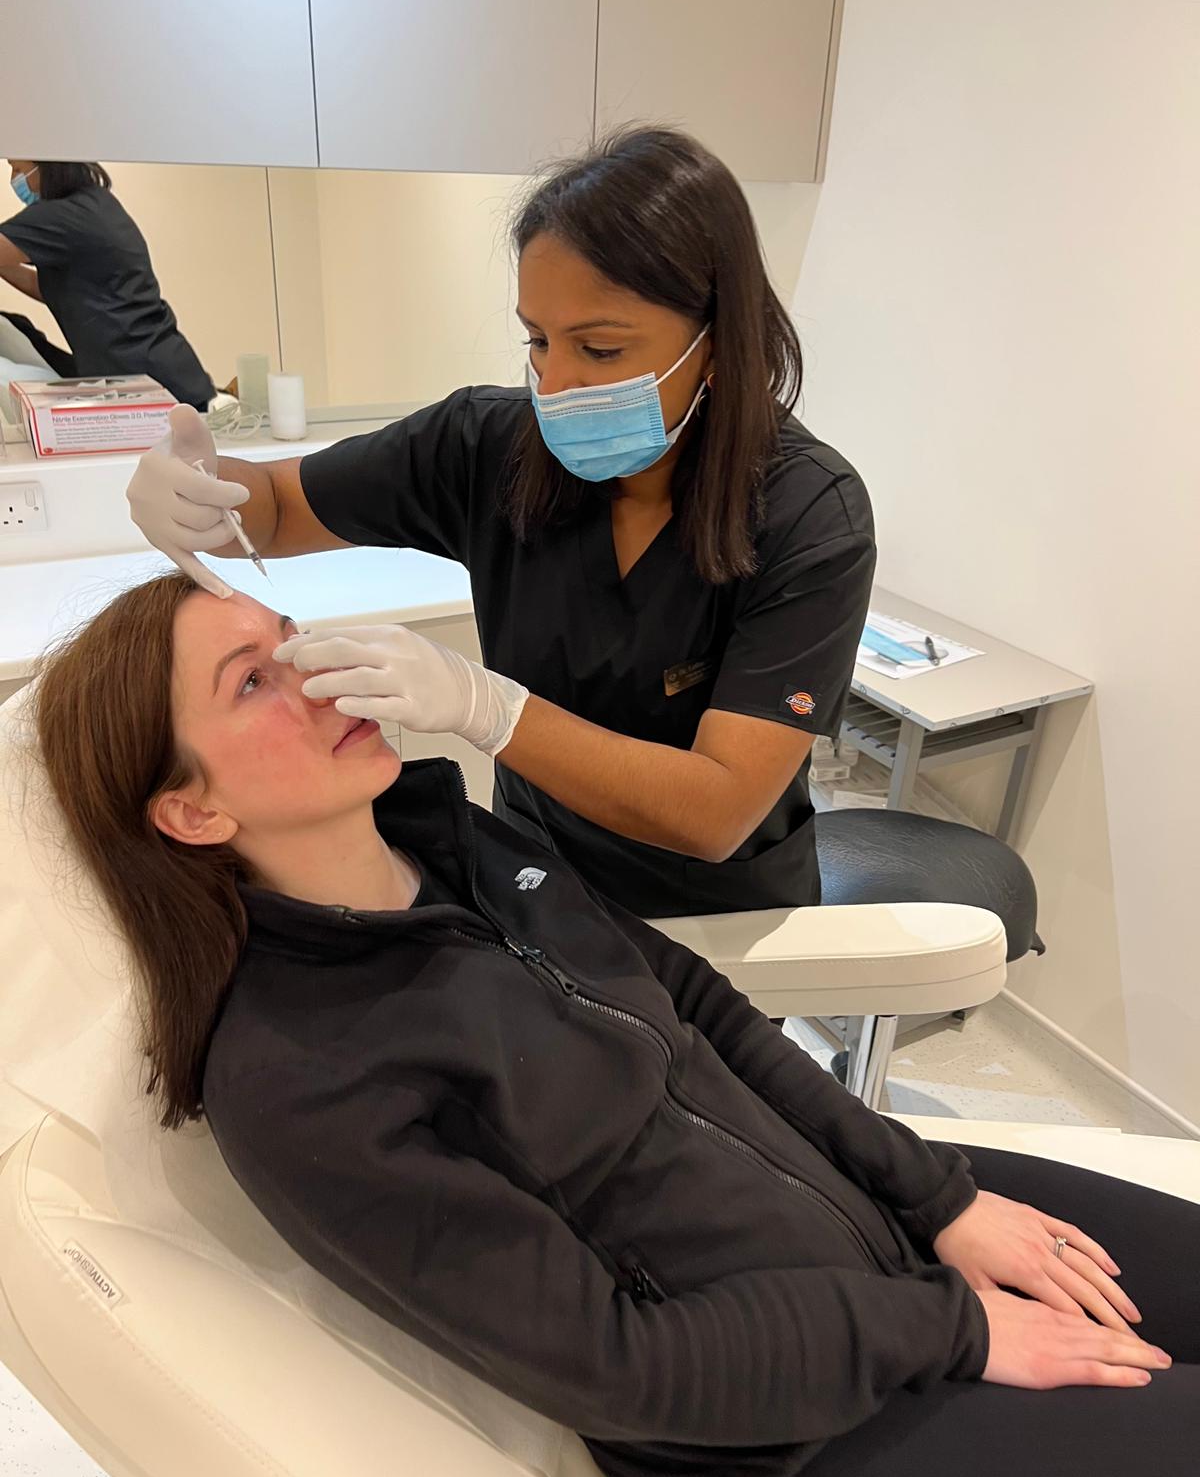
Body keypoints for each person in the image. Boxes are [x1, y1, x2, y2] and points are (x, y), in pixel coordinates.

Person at [31, 572, 1200, 1477]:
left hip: (877, 1229)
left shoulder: (459, 842)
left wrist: (937, 1199)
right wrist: (954, 1328)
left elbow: (702, 1011)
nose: (319, 674)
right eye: (253, 681)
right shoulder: (300, 1078)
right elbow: (621, 1367)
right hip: (783, 1435)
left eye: (291, 640)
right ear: (191, 813)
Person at [126, 126, 875, 920]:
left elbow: (714, 811)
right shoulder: (488, 447)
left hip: (716, 916)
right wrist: (209, 490)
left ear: (721, 338)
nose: (555, 385)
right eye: (540, 341)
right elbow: (279, 508)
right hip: (534, 882)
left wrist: (488, 709)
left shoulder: (809, 517)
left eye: (601, 348)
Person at [0, 159, 214, 409]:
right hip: (160, 373)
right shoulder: (94, 203)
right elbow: (60, 291)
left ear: (49, 165)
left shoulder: (63, 215)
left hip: (149, 381)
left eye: (19, 170)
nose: (14, 179)